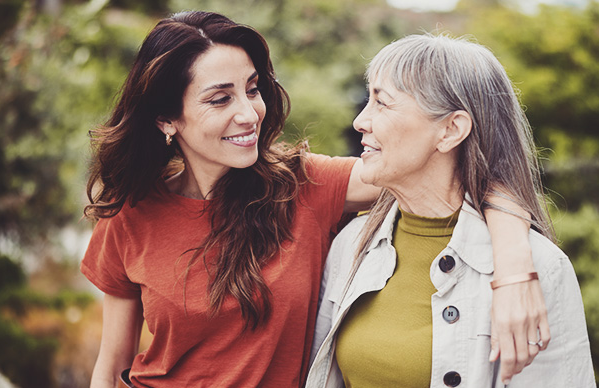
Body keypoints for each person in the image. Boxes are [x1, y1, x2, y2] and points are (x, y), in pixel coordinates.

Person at [81, 11, 549, 388]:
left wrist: (514, 271)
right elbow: (111, 368)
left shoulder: (305, 186)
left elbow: (461, 167)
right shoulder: (129, 215)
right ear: (167, 118)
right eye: (219, 99)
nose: (249, 113)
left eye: (252, 89)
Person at [306, 34, 596, 388]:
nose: (361, 121)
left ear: (450, 130)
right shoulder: (350, 247)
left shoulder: (540, 269)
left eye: (382, 103)